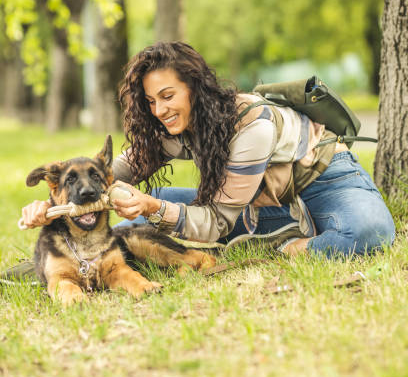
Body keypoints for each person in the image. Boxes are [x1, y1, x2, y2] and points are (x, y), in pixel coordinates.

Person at [21, 42, 395, 258]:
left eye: (168, 96)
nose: (159, 110)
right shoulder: (170, 128)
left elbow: (215, 223)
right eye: (151, 101)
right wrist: (53, 208)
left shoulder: (252, 128)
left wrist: (154, 208)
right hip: (265, 202)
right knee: (153, 208)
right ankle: (87, 255)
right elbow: (109, 177)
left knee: (372, 232)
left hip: (329, 181)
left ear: (195, 89)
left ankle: (285, 245)